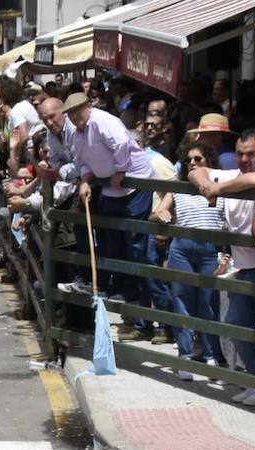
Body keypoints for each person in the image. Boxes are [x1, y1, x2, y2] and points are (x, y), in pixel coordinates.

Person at [189, 128, 255, 405]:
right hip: (244, 268)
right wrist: (207, 185)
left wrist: (217, 188)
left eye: (250, 154)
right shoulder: (234, 175)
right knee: (235, 326)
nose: (244, 159)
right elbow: (196, 172)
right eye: (241, 154)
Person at [67, 91, 155, 308]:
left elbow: (121, 144)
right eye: (70, 114)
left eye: (77, 111)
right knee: (111, 241)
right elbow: (84, 162)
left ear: (88, 106)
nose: (74, 116)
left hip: (135, 183)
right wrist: (86, 180)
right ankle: (119, 290)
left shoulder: (102, 120)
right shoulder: (78, 133)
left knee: (134, 244)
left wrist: (121, 170)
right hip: (109, 187)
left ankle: (136, 296)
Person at [152, 143, 225, 379]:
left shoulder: (220, 187)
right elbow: (155, 213)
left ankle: (211, 354)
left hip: (209, 249)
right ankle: (185, 357)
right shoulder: (178, 188)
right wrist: (161, 214)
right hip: (181, 249)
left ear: (209, 162)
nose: (192, 163)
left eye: (198, 159)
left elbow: (230, 221)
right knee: (182, 302)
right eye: (188, 160)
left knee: (208, 303)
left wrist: (227, 253)